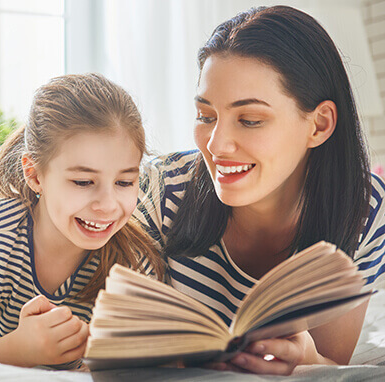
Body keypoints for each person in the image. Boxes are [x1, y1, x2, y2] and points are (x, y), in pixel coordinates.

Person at [135, 5, 385, 375]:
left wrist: (308, 361)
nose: (217, 145)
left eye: (250, 120)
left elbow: (333, 363)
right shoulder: (161, 191)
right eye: (206, 116)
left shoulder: (363, 208)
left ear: (319, 124)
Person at [0, 73, 165, 369]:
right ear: (35, 175)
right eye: (84, 182)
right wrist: (19, 350)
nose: (108, 205)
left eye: (124, 182)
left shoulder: (133, 260)